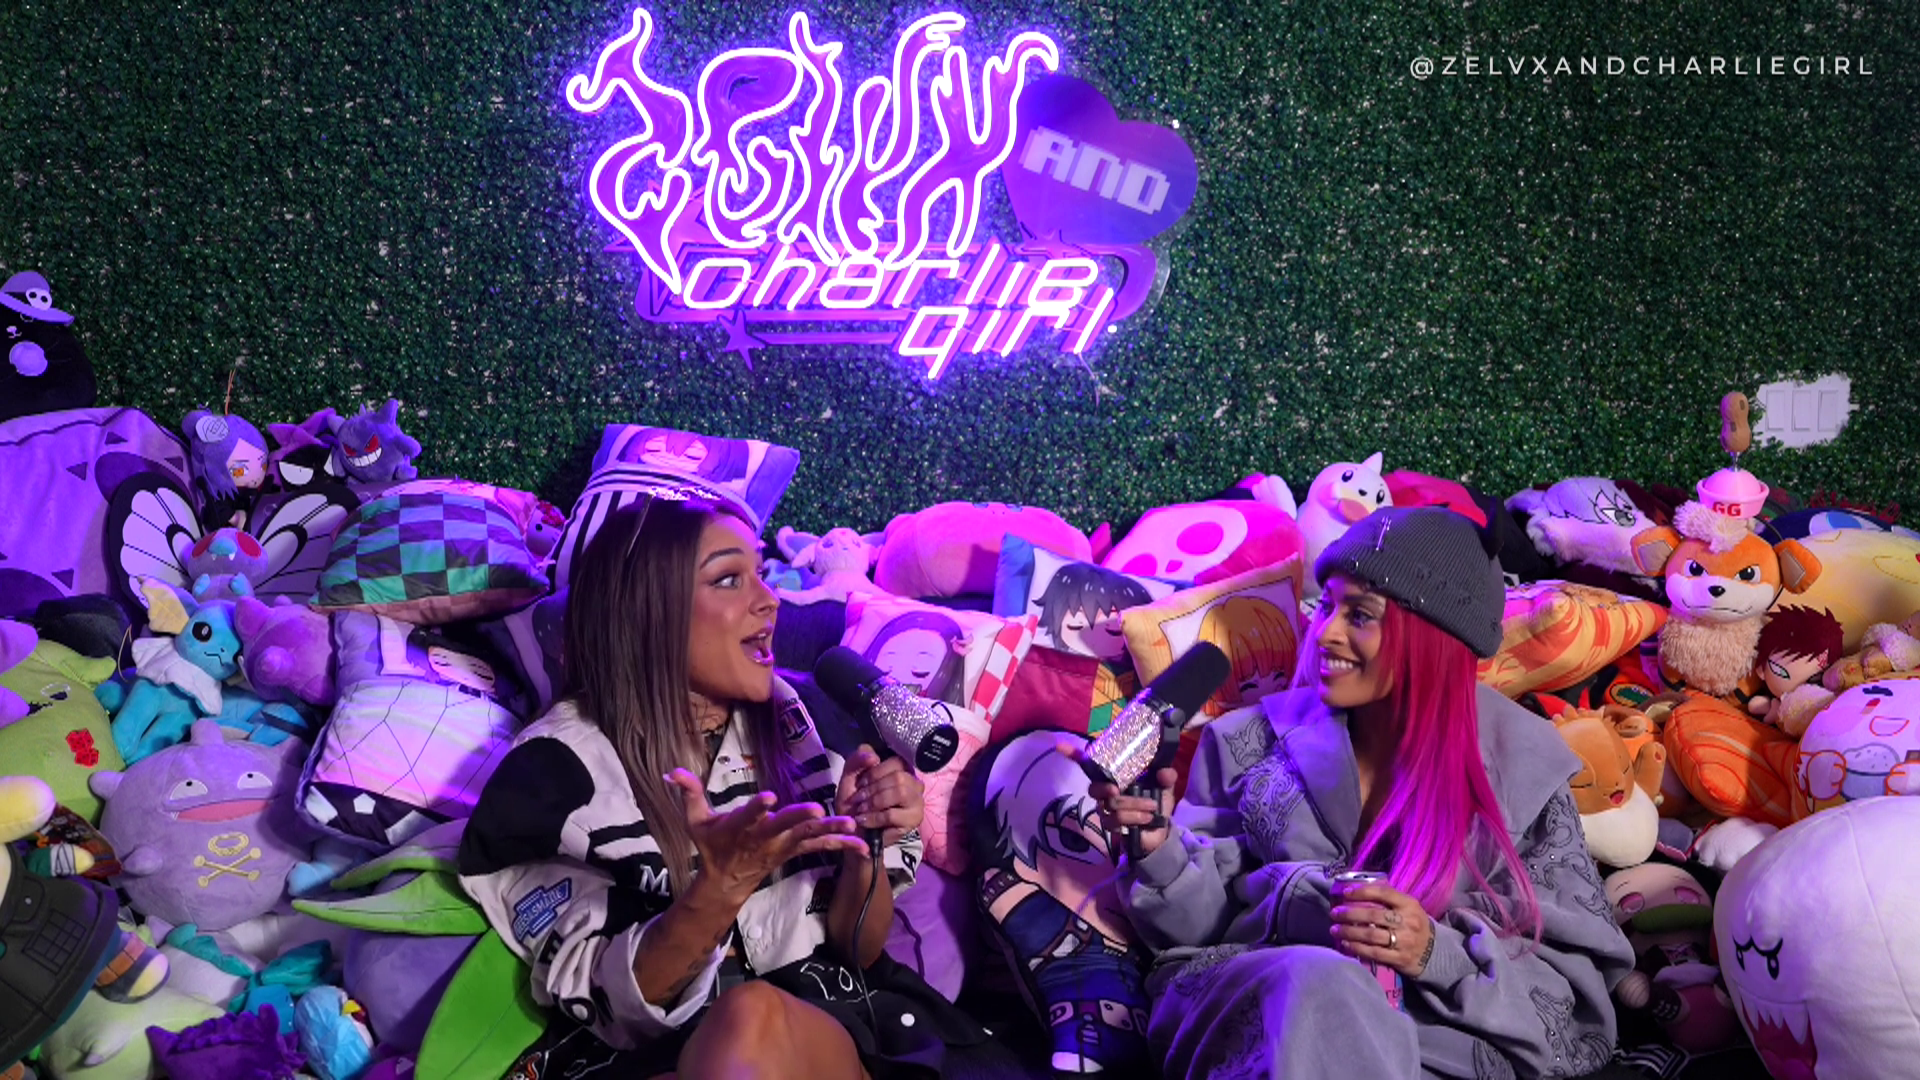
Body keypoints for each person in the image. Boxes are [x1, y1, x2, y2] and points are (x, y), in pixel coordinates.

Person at [1085, 506, 1635, 1079]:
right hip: (1267, 1020)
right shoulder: (1245, 742)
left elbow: (1576, 1006)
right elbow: (1191, 936)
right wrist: (1158, 853)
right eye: (1326, 605)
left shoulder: (1525, 773)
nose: (1326, 632)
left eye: (1361, 615)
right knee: (1319, 984)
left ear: (1430, 637)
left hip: (1433, 1048)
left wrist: (1434, 953)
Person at [458, 487, 982, 1078]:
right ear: (646, 612)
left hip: (830, 1031)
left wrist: (864, 845)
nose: (770, 600)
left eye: (762, 574)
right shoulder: (555, 771)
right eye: (730, 579)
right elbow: (611, 1004)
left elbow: (857, 951)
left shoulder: (808, 718)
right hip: (653, 1050)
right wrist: (718, 892)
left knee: (750, 1014)